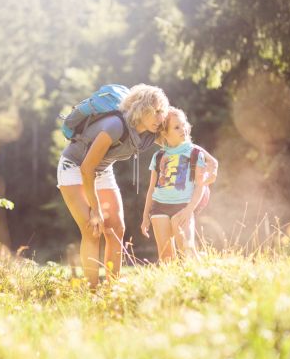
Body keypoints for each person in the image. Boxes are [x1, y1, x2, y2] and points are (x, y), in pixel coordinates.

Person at [57, 84, 170, 289]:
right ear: (141, 108)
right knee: (92, 229)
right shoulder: (115, 126)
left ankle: (112, 288)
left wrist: (205, 160)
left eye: (162, 111)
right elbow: (86, 169)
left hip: (101, 170)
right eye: (156, 111)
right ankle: (91, 291)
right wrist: (96, 209)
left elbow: (178, 142)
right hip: (75, 168)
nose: (160, 117)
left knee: (116, 228)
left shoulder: (151, 131)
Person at [140, 107, 218, 263]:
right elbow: (151, 189)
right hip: (159, 207)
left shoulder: (195, 153)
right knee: (166, 256)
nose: (183, 129)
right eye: (176, 127)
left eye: (183, 125)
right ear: (164, 133)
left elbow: (200, 186)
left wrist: (189, 210)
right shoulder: (159, 156)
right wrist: (145, 216)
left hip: (183, 206)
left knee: (187, 250)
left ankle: (201, 274)